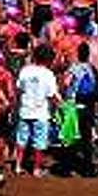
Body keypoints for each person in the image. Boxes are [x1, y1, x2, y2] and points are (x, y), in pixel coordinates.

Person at [14, 45, 60, 176]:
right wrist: (61, 106)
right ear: (49, 59)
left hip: (25, 110)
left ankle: (18, 165)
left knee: (21, 140)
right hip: (41, 113)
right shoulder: (48, 74)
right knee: (39, 143)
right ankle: (36, 168)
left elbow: (19, 89)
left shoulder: (25, 71)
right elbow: (52, 95)